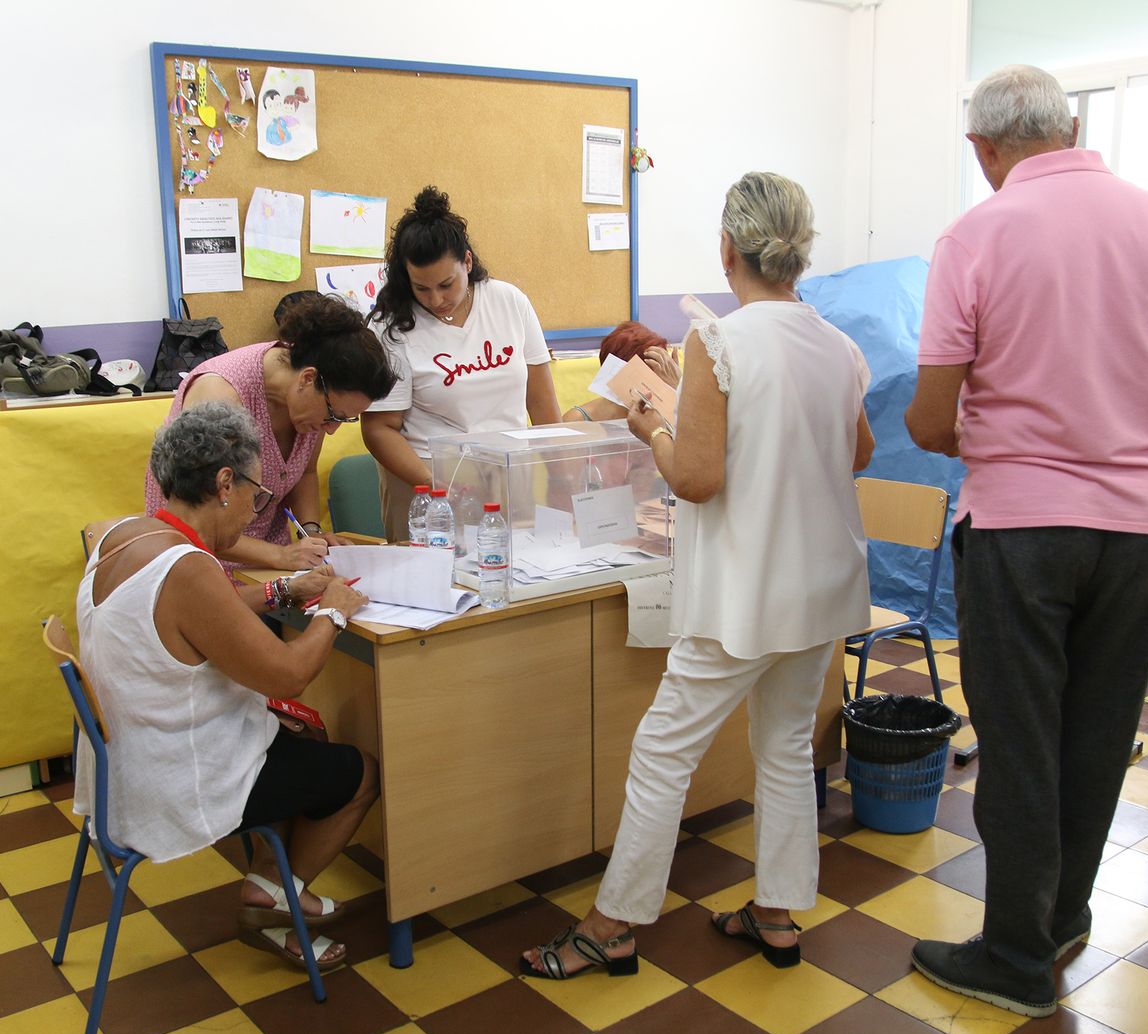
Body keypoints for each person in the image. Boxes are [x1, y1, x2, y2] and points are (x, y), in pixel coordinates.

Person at [904, 65, 1148, 1017]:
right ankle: (1061, 919)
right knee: (1095, 735)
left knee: (1018, 740)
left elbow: (929, 420)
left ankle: (1011, 957)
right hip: (1140, 533)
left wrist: (1016, 430)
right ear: (1075, 124)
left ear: (982, 148)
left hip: (1022, 529)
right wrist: (1113, 418)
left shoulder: (975, 235)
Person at [521, 172, 875, 979]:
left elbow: (698, 478)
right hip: (822, 587)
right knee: (784, 745)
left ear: (728, 249)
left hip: (746, 593)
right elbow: (858, 454)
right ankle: (776, 912)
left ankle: (611, 924)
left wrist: (652, 426)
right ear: (801, 253)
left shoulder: (719, 342)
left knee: (662, 751)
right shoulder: (837, 342)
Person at [83, 402, 378, 971]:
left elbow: (194, 613)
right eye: (256, 496)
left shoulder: (122, 535)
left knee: (300, 736)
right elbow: (288, 671)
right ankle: (273, 892)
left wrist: (279, 592)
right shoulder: (188, 568)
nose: (252, 511)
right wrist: (333, 612)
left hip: (125, 764)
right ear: (225, 483)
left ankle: (272, 893)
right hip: (177, 781)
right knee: (360, 770)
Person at [361, 186, 562, 542]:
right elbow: (379, 429)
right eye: (421, 289)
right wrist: (433, 485)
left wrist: (562, 471)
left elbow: (542, 403)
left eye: (446, 284)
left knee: (513, 577)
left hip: (508, 474)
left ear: (467, 262)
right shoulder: (391, 327)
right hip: (426, 484)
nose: (436, 299)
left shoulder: (508, 301)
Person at [144, 296, 398, 574]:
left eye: (344, 419)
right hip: (200, 565)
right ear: (307, 379)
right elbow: (201, 518)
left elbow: (305, 472)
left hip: (269, 565)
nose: (332, 428)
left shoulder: (315, 402)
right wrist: (280, 556)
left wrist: (310, 533)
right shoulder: (220, 394)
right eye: (334, 416)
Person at [562, 321, 681, 424]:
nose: (658, 385)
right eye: (653, 375)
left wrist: (677, 390)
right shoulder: (575, 421)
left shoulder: (661, 416)